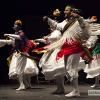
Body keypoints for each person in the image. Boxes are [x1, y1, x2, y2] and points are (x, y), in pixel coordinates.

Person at [43, 5, 90, 97]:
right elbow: (57, 25)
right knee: (68, 70)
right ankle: (74, 90)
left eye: (66, 10)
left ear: (72, 12)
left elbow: (83, 25)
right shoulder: (65, 22)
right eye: (64, 10)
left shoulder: (77, 21)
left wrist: (79, 17)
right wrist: (48, 19)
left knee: (71, 69)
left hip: (74, 46)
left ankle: (76, 91)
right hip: (66, 46)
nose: (64, 12)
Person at [35, 9, 65, 94]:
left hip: (57, 51)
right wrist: (38, 39)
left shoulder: (58, 31)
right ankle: (59, 88)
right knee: (56, 72)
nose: (50, 26)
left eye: (51, 25)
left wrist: (48, 38)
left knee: (57, 70)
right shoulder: (52, 33)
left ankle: (61, 88)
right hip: (52, 51)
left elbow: (58, 38)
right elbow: (47, 41)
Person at [4, 20, 39, 90]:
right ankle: (25, 84)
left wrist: (9, 35)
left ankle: (22, 85)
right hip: (19, 53)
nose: (14, 26)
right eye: (14, 25)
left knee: (20, 70)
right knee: (19, 70)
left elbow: (19, 37)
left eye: (16, 25)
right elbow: (14, 41)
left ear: (19, 26)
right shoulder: (17, 34)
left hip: (22, 53)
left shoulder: (21, 33)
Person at [83, 16, 100, 88]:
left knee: (97, 66)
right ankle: (97, 83)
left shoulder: (97, 31)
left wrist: (87, 43)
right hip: (95, 49)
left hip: (98, 49)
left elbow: (93, 41)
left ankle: (97, 83)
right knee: (96, 66)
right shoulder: (92, 32)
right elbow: (91, 42)